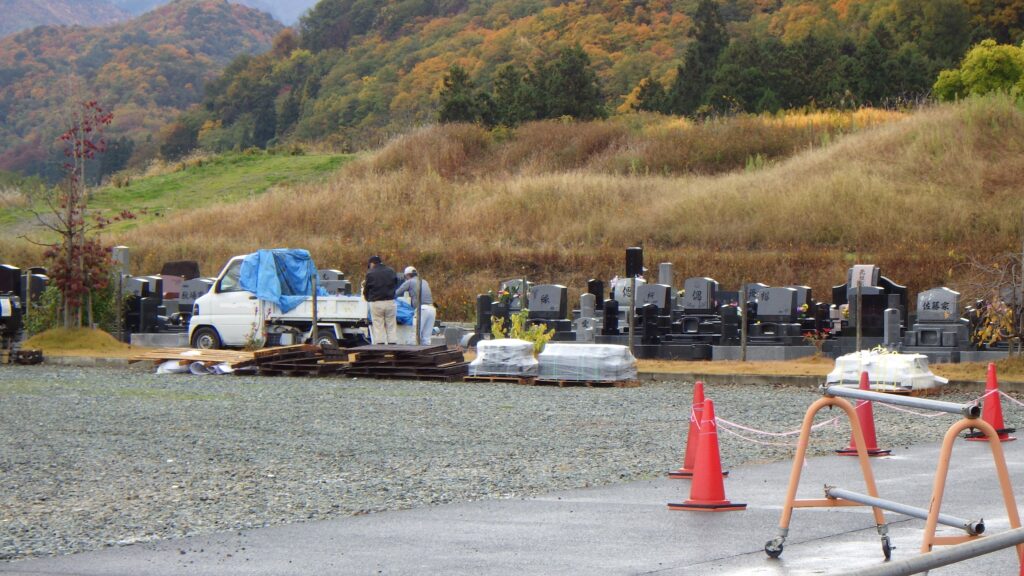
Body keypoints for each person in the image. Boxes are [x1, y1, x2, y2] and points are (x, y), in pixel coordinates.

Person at [363, 255, 399, 344]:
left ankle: (380, 344)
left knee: (378, 325)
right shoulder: (391, 271)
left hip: (376, 302)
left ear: (372, 263)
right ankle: (393, 343)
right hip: (390, 302)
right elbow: (396, 283)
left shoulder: (370, 273)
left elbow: (366, 289)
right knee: (391, 324)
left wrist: (367, 298)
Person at [396, 266, 436, 345]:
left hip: (422, 310)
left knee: (414, 337)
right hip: (432, 309)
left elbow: (397, 293)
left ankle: (411, 357)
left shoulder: (410, 281)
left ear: (407, 275)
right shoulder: (424, 281)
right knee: (426, 339)